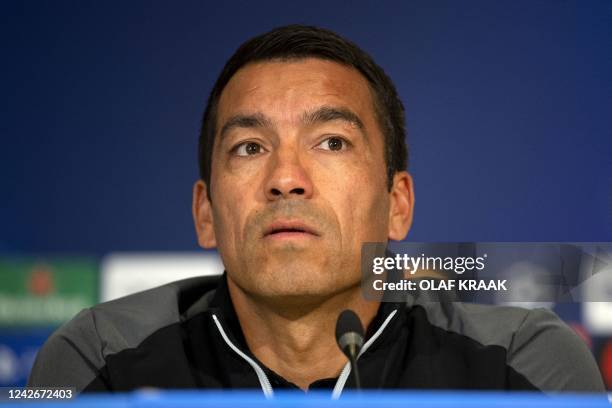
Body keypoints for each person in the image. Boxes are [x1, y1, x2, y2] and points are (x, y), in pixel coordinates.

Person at [28, 24, 604, 395]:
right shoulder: (101, 361)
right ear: (205, 213)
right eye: (249, 148)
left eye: (331, 142)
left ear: (397, 205)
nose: (285, 179)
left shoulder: (517, 365)